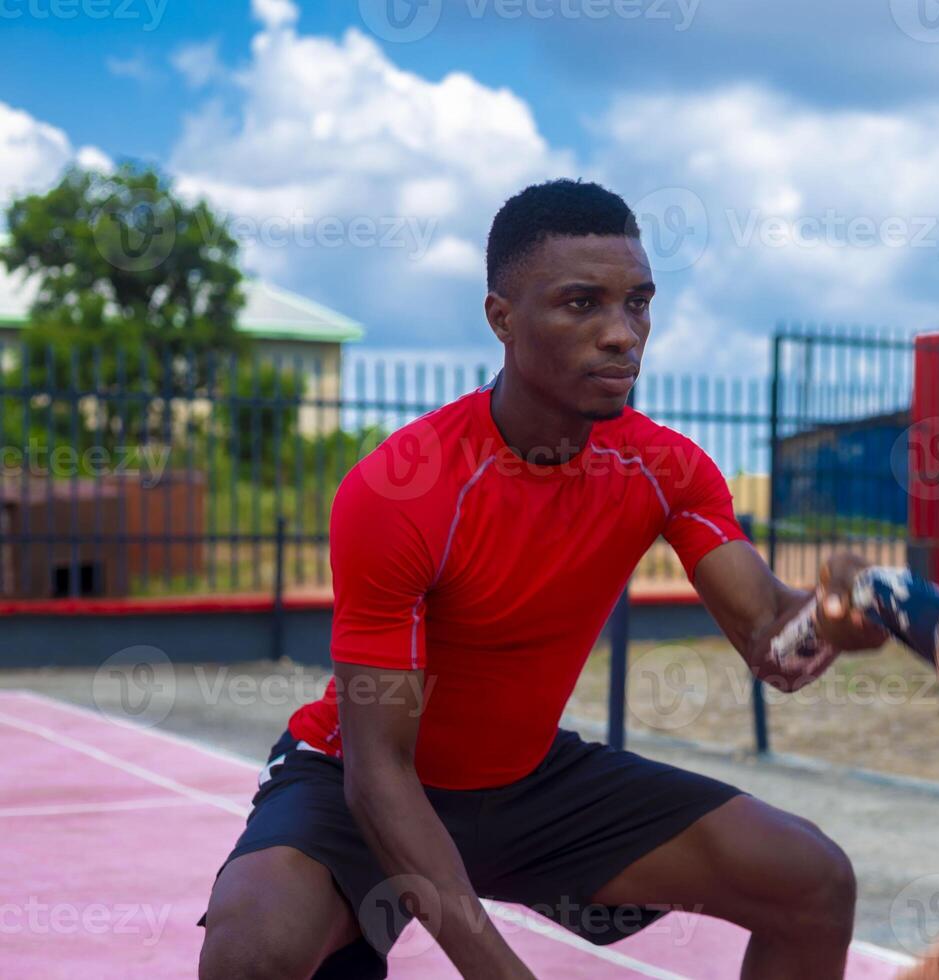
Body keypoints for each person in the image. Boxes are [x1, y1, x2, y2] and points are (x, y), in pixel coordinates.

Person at [198, 178, 888, 980]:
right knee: (253, 947)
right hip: (361, 778)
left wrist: (835, 621)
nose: (622, 334)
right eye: (581, 304)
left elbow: (777, 647)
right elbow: (378, 773)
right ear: (501, 318)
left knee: (811, 880)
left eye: (638, 304)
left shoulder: (667, 467)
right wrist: (499, 970)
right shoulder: (404, 490)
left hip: (526, 784)